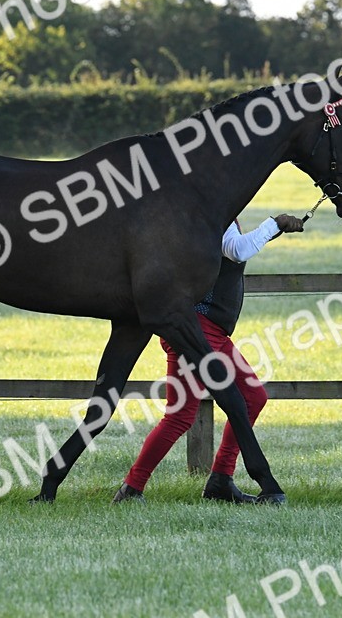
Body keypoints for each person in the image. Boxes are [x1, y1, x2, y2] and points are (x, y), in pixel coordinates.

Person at [113, 213, 305, 504]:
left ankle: (216, 481)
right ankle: (138, 487)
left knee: (233, 403)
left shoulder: (214, 209)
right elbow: (236, 250)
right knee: (204, 410)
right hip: (199, 330)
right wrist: (275, 224)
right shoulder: (212, 211)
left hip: (205, 329)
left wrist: (273, 230)